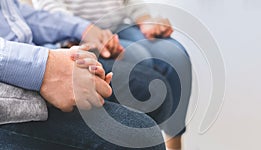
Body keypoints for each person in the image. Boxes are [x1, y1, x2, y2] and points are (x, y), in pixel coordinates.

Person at [0, 0, 166, 149]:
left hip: (30, 51)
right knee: (143, 137)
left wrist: (83, 29)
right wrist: (43, 67)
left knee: (145, 85)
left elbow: (19, 18)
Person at [32, 0, 192, 149]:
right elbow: (50, 7)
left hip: (118, 26)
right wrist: (83, 31)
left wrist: (145, 19)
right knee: (139, 60)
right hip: (73, 35)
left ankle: (173, 144)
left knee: (176, 56)